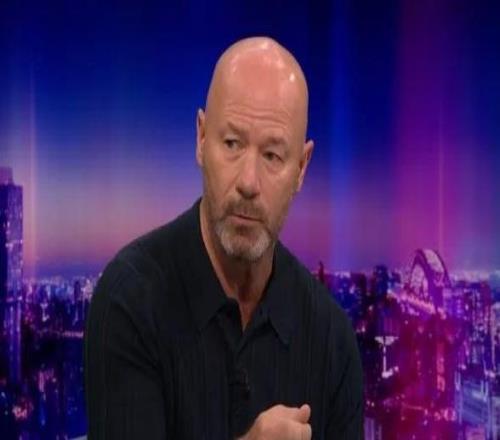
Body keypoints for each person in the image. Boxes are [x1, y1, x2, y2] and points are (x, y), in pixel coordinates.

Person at [84, 36, 363, 439]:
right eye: (232, 144)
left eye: (272, 156)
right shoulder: (129, 299)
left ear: (302, 168)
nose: (248, 182)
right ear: (201, 139)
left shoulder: (331, 339)